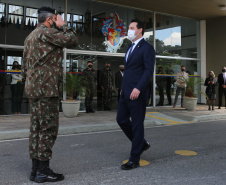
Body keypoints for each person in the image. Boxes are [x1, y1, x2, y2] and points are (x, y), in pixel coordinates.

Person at [21, 7, 78, 183]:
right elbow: (72, 40)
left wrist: (30, 84)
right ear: (49, 20)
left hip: (34, 89)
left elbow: (24, 67)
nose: (56, 21)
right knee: (48, 129)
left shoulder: (30, 36)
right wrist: (64, 25)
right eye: (55, 19)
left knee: (36, 129)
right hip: (46, 88)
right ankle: (43, 171)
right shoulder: (47, 32)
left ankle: (35, 170)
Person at [116, 18, 155, 170]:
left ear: (140, 30)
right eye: (129, 28)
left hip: (137, 93)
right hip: (126, 92)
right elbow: (129, 72)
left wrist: (138, 88)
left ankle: (134, 159)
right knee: (121, 119)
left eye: (132, 28)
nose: (129, 31)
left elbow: (148, 71)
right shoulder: (129, 47)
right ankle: (142, 144)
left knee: (137, 125)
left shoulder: (147, 48)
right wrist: (123, 89)